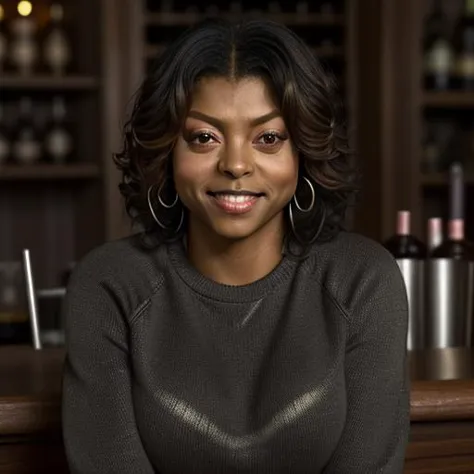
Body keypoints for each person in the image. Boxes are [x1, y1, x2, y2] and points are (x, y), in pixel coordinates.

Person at [61, 17, 410, 474]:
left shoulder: (363, 282)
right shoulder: (109, 285)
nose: (236, 164)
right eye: (204, 137)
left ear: (302, 151)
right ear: (168, 150)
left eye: (268, 138)